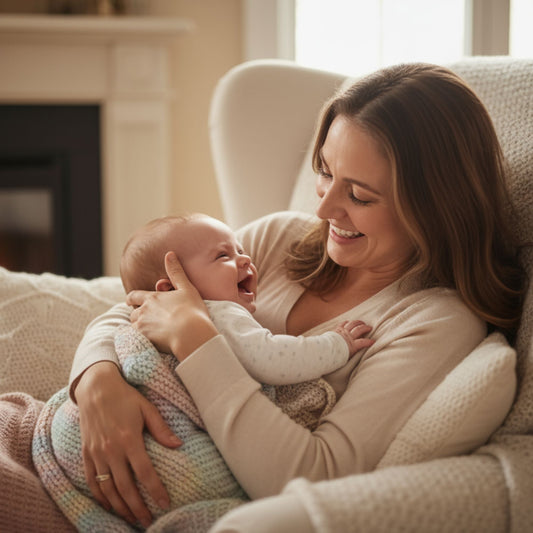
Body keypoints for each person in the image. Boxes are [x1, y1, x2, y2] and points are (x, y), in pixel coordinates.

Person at [69, 63, 526, 530]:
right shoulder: (275, 240)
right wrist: (96, 379)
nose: (324, 208)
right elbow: (133, 305)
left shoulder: (434, 324)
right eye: (325, 172)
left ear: (435, 206)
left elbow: (316, 474)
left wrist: (198, 343)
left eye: (360, 196)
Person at [33, 213, 373, 532]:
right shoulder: (221, 312)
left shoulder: (210, 306)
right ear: (169, 289)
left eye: (240, 250)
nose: (245, 259)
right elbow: (274, 358)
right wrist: (337, 344)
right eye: (224, 256)